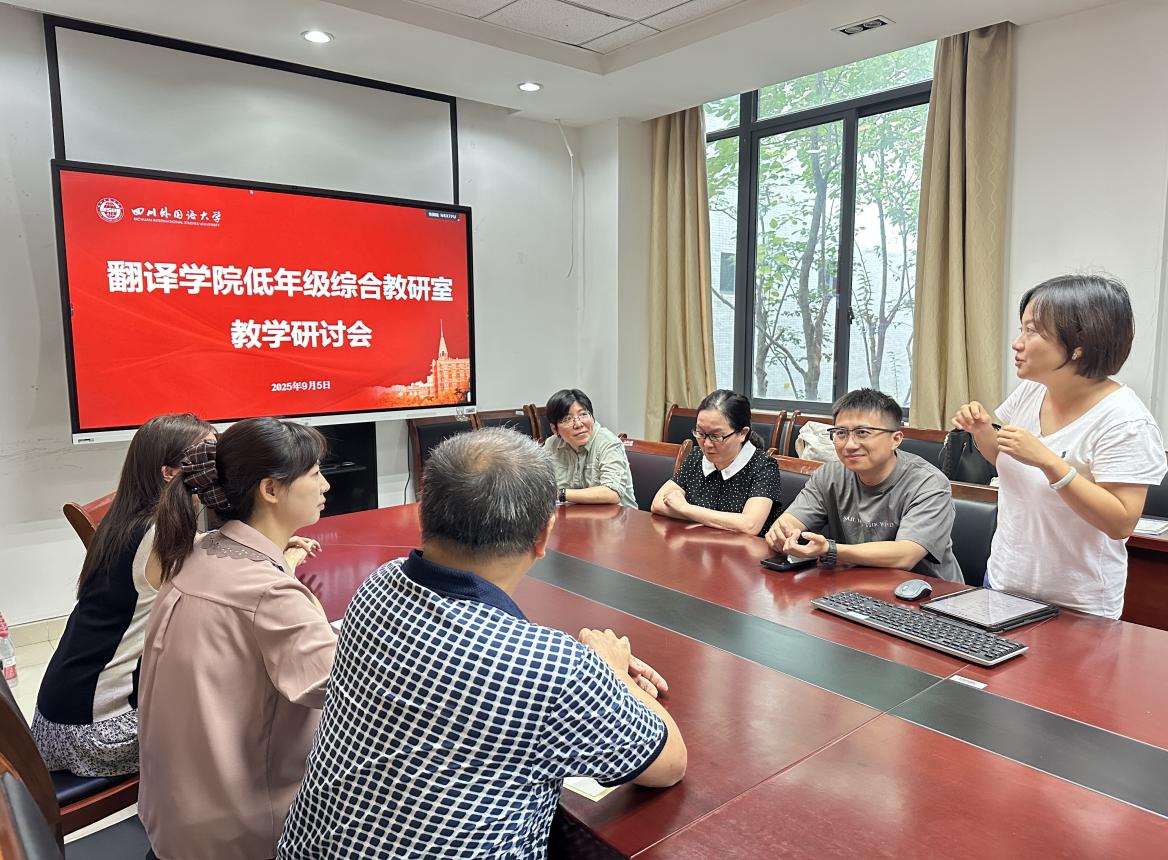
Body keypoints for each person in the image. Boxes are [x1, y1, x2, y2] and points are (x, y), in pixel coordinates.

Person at [278, 428, 685, 859]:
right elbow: (669, 763)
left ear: (423, 516)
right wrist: (613, 671)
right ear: (543, 536)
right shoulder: (552, 670)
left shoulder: (376, 588)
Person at [138, 417, 337, 860]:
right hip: (243, 832)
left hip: (172, 819)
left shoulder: (196, 551)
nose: (325, 484)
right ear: (271, 489)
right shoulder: (269, 593)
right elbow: (339, 686)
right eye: (314, 473)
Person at [954, 274, 1167, 617]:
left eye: (1032, 331)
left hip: (1077, 605)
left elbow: (1121, 522)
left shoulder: (1125, 421)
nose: (1017, 343)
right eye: (1021, 329)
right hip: (1004, 582)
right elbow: (1006, 461)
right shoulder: (1031, 391)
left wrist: (1050, 462)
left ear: (1079, 343)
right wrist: (982, 432)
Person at [30, 413, 214, 777]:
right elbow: (223, 577)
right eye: (207, 457)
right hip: (95, 734)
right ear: (169, 473)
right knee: (226, 710)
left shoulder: (128, 521)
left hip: (55, 720)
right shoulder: (160, 535)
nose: (218, 467)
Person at [765, 389, 963, 582]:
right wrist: (783, 534)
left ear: (895, 439)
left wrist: (830, 550)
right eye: (841, 433)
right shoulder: (829, 474)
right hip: (855, 585)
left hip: (928, 592)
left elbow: (906, 555)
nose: (850, 445)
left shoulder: (929, 483)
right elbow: (789, 522)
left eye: (862, 433)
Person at [651, 389, 782, 536]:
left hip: (741, 548)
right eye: (700, 433)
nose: (706, 444)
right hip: (696, 543)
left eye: (716, 436)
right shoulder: (697, 456)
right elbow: (658, 504)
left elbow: (750, 525)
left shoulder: (763, 466)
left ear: (742, 433)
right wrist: (719, 520)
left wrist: (685, 508)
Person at [543, 388, 637, 508]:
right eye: (567, 419)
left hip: (617, 517)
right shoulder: (551, 445)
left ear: (592, 417)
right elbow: (541, 484)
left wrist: (561, 494)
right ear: (554, 429)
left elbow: (612, 493)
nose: (578, 424)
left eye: (583, 414)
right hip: (573, 515)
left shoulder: (608, 442)